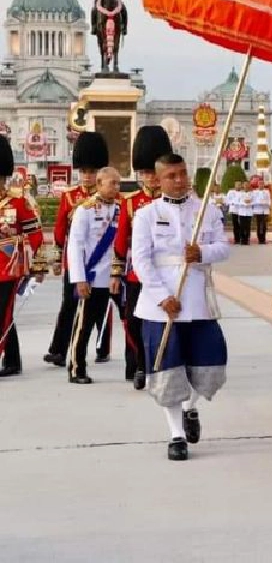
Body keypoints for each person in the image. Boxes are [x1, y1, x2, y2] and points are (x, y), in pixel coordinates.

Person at [134, 154, 230, 461]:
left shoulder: (207, 211)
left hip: (198, 301)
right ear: (158, 180)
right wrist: (163, 297)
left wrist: (201, 251)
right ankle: (176, 434)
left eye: (182, 173)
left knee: (210, 366)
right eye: (171, 175)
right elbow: (142, 260)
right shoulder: (147, 215)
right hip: (161, 306)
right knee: (168, 371)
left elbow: (223, 249)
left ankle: (190, 409)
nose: (179, 180)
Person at [113, 125, 172, 390]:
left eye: (153, 172)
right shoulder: (129, 203)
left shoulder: (174, 201)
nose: (150, 178)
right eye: (146, 172)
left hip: (167, 272)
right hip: (137, 273)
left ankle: (161, 365)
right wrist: (116, 274)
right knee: (134, 323)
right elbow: (120, 242)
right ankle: (138, 364)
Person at [45, 132, 111, 367]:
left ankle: (102, 345)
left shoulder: (110, 197)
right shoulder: (70, 196)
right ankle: (59, 349)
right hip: (74, 260)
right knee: (68, 304)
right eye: (83, 171)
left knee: (100, 306)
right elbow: (60, 231)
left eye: (92, 172)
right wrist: (52, 260)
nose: (86, 176)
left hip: (101, 260)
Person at [66, 167, 123, 385]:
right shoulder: (85, 209)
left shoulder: (121, 209)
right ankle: (76, 368)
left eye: (118, 183)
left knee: (131, 321)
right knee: (84, 326)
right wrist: (79, 278)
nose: (116, 187)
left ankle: (136, 367)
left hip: (117, 276)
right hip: (94, 276)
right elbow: (75, 246)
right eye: (112, 183)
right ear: (99, 184)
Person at [0, 135, 46, 378]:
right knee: (4, 314)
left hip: (8, 267)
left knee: (3, 312)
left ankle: (6, 358)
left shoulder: (18, 203)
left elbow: (37, 236)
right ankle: (13, 360)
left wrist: (39, 267)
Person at [252, 179, 272, 244]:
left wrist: (267, 203)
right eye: (260, 184)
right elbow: (253, 201)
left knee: (263, 225)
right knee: (258, 225)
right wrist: (259, 202)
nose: (261, 185)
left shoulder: (267, 192)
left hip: (265, 210)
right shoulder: (255, 192)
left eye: (262, 184)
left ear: (263, 185)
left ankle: (263, 239)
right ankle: (259, 239)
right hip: (258, 210)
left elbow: (269, 200)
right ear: (258, 185)